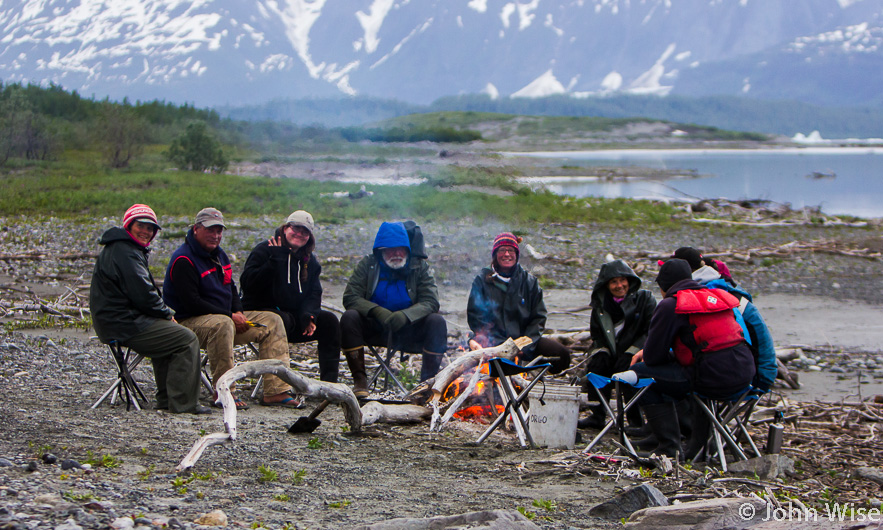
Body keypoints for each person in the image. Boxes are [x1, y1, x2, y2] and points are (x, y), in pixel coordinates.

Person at [615, 259, 756, 459]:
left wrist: (648, 352)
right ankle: (697, 448)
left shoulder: (671, 304)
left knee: (640, 374)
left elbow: (654, 358)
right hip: (745, 374)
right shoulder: (712, 296)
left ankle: (668, 444)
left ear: (664, 285)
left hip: (712, 378)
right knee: (691, 374)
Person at [162, 207, 298, 409]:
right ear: (196, 229)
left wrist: (238, 311)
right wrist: (229, 315)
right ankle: (224, 392)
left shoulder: (219, 255)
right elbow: (192, 303)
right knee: (222, 324)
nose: (216, 236)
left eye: (219, 231)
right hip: (188, 324)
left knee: (272, 320)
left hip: (225, 319)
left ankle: (276, 391)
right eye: (210, 230)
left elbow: (232, 288)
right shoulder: (184, 260)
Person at [90, 204, 209, 414]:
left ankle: (166, 399)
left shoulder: (125, 248)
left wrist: (162, 316)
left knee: (169, 337)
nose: (146, 231)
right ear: (129, 225)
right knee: (186, 338)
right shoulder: (124, 251)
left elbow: (142, 294)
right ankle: (184, 403)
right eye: (141, 226)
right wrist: (167, 314)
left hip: (119, 320)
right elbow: (143, 293)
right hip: (122, 324)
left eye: (150, 228)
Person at [341, 221, 447, 397]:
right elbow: (350, 297)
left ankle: (426, 386)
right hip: (375, 328)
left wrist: (406, 316)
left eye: (401, 249)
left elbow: (431, 301)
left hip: (409, 330)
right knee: (349, 317)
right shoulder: (368, 264)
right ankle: (360, 381)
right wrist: (376, 311)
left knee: (437, 321)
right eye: (390, 249)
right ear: (381, 250)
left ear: (407, 249)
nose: (397, 253)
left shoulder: (419, 267)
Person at [240, 210, 341, 383]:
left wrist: (309, 315)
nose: (300, 234)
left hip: (294, 318)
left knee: (329, 321)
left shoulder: (309, 261)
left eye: (305, 232)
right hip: (261, 315)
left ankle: (329, 385)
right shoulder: (265, 250)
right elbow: (248, 285)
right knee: (281, 319)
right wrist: (274, 262)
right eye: (296, 229)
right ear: (286, 228)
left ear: (310, 236)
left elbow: (314, 293)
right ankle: (276, 386)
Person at [466, 232, 571, 374]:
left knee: (561, 354)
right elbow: (475, 317)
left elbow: (538, 319)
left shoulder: (529, 282)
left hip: (524, 342)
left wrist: (524, 346)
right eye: (502, 250)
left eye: (511, 250)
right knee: (498, 368)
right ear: (495, 254)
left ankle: (534, 375)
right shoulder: (482, 281)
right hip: (494, 342)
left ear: (517, 254)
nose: (507, 254)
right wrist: (497, 345)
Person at [577, 259, 656, 429]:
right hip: (612, 355)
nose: (620, 285)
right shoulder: (600, 306)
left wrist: (632, 351)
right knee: (596, 368)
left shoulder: (645, 299)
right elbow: (597, 335)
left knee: (630, 371)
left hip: (637, 354)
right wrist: (602, 351)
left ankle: (635, 422)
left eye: (623, 280)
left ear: (630, 280)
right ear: (606, 285)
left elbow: (650, 331)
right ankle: (597, 415)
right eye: (614, 282)